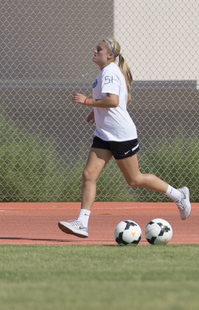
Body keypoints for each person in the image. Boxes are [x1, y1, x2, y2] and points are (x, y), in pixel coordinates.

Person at [58, 38, 191, 238]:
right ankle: (82, 223)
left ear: (110, 55)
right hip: (104, 135)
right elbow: (125, 98)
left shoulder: (110, 71)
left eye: (99, 49)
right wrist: (97, 112)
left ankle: (178, 195)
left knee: (134, 179)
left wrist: (87, 102)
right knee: (88, 175)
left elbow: (113, 100)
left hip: (121, 135)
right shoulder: (107, 72)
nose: (94, 50)